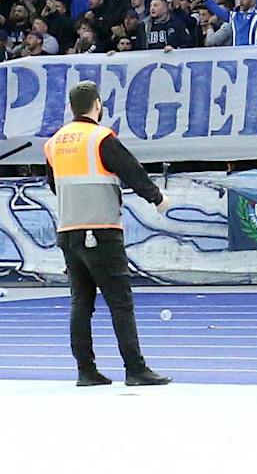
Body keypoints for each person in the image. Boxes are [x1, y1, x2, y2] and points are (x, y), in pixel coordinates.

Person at [42, 81, 171, 388]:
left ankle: (86, 370)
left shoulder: (54, 143)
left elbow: (53, 184)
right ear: (97, 104)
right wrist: (157, 198)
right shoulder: (101, 137)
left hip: (68, 231)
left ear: (71, 107)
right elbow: (131, 170)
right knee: (120, 302)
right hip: (101, 230)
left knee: (81, 303)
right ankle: (135, 369)